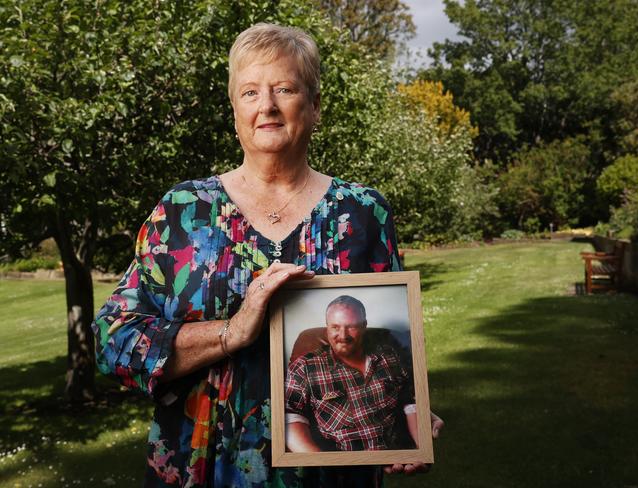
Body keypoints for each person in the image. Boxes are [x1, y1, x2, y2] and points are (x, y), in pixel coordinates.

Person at [92, 22, 442, 488]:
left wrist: (407, 421)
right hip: (202, 468)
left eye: (285, 89)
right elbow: (112, 340)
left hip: (331, 474)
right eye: (251, 92)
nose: (268, 107)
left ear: (315, 106)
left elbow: (388, 344)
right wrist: (230, 333)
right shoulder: (183, 211)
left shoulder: (363, 212)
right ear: (235, 110)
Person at [285, 295, 419, 452]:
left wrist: (420, 450)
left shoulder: (389, 356)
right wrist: (321, 463)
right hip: (341, 465)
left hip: (394, 454)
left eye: (351, 327)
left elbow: (410, 402)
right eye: (335, 327)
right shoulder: (305, 367)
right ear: (327, 327)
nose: (343, 335)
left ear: (364, 326)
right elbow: (290, 416)